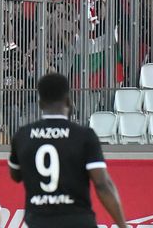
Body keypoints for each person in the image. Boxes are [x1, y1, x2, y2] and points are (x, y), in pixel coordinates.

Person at [8, 73, 128, 228]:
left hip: (39, 221)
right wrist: (122, 225)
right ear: (68, 101)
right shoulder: (84, 136)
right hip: (78, 221)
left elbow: (15, 175)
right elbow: (102, 185)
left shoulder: (23, 135)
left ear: (40, 104)